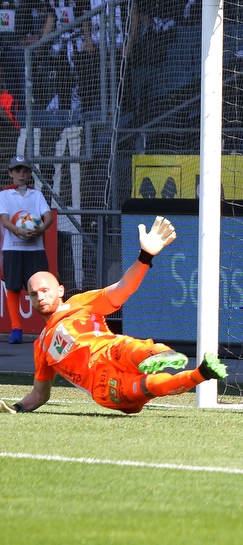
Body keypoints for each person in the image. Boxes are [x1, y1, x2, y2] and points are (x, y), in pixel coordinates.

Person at [0, 216, 228, 414]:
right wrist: (16, 407)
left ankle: (162, 353)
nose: (39, 297)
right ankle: (201, 373)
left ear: (60, 291)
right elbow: (40, 394)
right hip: (102, 385)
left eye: (45, 290)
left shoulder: (80, 303)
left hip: (110, 352)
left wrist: (145, 256)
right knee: (148, 386)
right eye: (33, 293)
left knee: (124, 347)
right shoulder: (41, 346)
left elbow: (123, 288)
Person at [0, 155, 53, 345]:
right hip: (13, 248)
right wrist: (19, 230)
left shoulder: (36, 195)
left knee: (41, 289)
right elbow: (5, 220)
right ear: (10, 173)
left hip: (35, 249)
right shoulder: (4, 195)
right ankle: (16, 329)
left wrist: (40, 229)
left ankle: (49, 327)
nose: (21, 175)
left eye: (24, 171)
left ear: (30, 173)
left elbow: (48, 216)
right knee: (13, 287)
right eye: (17, 171)